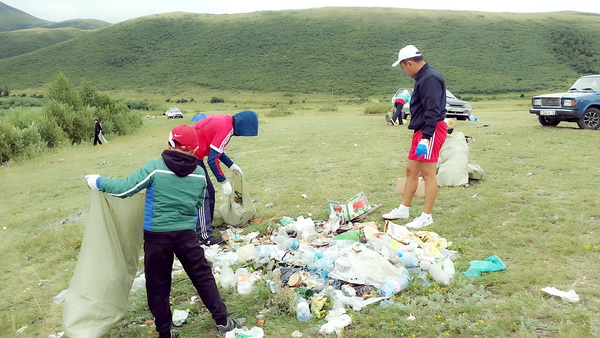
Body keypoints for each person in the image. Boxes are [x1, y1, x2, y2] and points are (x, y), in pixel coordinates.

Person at [84, 125, 245, 337]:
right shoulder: (199, 174)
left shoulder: (156, 168)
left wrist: (97, 181)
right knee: (203, 276)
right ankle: (223, 321)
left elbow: (124, 189)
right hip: (187, 236)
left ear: (170, 143)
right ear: (195, 148)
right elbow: (198, 203)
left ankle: (164, 332)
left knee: (158, 284)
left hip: (156, 238)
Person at [382, 45, 448, 229]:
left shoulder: (430, 78)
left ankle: (427, 216)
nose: (404, 71)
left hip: (431, 130)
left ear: (409, 63)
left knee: (428, 174)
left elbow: (433, 111)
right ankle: (404, 209)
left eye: (403, 67)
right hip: (421, 130)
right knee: (411, 171)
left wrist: (426, 138)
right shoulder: (423, 77)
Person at [192, 110, 258, 246]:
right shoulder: (227, 128)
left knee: (209, 191)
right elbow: (212, 159)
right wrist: (223, 181)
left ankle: (207, 225)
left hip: (191, 154)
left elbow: (216, 150)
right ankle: (204, 236)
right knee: (203, 194)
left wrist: (231, 165)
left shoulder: (224, 120)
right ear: (244, 126)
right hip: (189, 156)